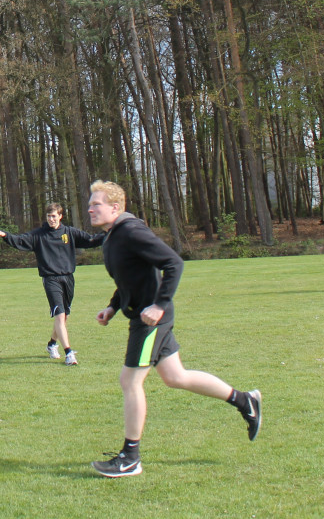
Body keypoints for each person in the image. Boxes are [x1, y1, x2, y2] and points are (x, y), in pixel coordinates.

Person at [86, 179, 260, 478]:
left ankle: (130, 457)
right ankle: (245, 400)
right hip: (143, 314)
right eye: (89, 204)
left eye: (96, 204)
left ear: (115, 207)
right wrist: (113, 307)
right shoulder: (113, 236)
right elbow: (131, 276)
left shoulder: (131, 230)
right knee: (176, 377)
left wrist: (159, 304)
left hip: (150, 319)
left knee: (129, 381)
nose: (90, 209)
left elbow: (173, 262)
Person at [0, 203, 103, 366]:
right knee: (59, 315)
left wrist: (109, 233)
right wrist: (5, 236)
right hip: (51, 279)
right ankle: (69, 353)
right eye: (49, 216)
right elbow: (21, 240)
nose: (51, 219)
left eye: (54, 216)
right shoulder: (39, 235)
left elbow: (91, 240)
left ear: (60, 216)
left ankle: (52, 344)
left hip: (68, 278)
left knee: (65, 317)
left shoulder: (69, 232)